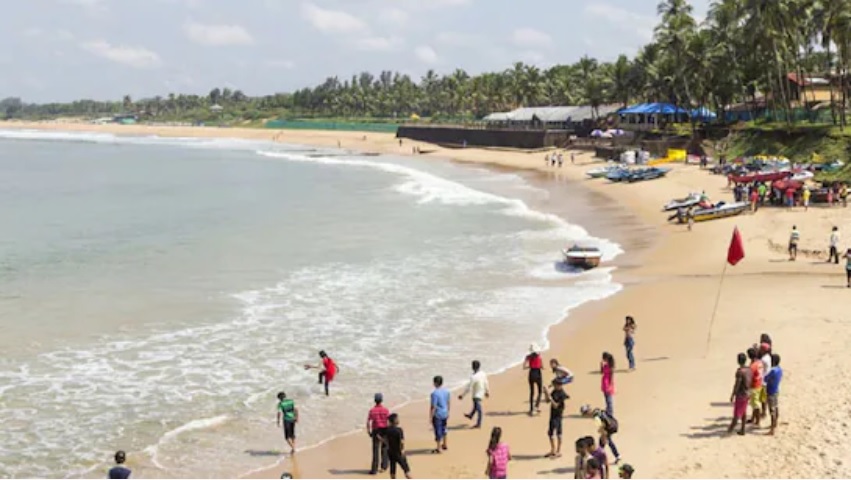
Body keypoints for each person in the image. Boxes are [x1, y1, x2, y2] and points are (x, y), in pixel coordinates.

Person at [459, 360, 489, 429]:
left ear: (472, 367)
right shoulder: (483, 373)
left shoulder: (473, 377)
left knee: (479, 409)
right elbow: (486, 382)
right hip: (482, 392)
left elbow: (469, 388)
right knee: (476, 406)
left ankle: (478, 424)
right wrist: (487, 391)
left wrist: (462, 395)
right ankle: (471, 415)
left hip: (476, 394)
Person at [728, 352, 751, 436]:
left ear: (738, 361)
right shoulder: (749, 369)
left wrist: (733, 394)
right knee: (744, 412)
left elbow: (737, 384)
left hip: (741, 394)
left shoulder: (740, 372)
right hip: (748, 392)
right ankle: (743, 429)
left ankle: (729, 430)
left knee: (737, 414)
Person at [367, 393, 390, 474]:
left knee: (375, 450)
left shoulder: (372, 411)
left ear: (374, 400)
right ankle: (384, 466)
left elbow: (368, 421)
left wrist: (369, 431)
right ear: (382, 400)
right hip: (384, 430)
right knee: (384, 448)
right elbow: (388, 421)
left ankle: (374, 469)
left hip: (376, 430)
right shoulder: (386, 410)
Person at [384, 414, 412, 479]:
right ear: (395, 421)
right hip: (398, 452)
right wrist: (402, 450)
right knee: (406, 469)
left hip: (390, 452)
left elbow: (384, 440)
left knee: (392, 469)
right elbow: (402, 441)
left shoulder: (387, 430)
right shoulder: (399, 430)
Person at [546, 380, 567, 458]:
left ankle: (558, 451)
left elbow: (555, 405)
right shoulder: (554, 391)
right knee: (550, 433)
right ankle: (553, 449)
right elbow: (547, 401)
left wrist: (550, 397)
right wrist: (546, 393)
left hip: (558, 415)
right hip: (552, 415)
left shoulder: (562, 394)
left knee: (559, 433)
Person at [429, 375, 450, 453]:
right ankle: (445, 444)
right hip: (445, 412)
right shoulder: (446, 391)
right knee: (444, 428)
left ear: (435, 383)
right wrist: (448, 411)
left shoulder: (434, 393)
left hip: (438, 414)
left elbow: (433, 406)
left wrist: (431, 416)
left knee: (438, 430)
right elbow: (448, 402)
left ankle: (438, 448)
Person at [764, 353, 783, 436]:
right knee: (776, 407)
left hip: (770, 391)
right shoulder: (779, 369)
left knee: (771, 410)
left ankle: (772, 429)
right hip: (776, 390)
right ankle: (775, 424)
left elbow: (765, 379)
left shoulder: (773, 371)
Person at [524, 344, 544, 415]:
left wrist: (530, 366)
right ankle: (536, 406)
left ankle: (531, 408)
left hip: (531, 373)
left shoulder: (528, 357)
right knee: (540, 391)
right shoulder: (539, 356)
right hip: (538, 373)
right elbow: (542, 366)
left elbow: (524, 367)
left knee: (532, 392)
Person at [747, 347, 765, 427]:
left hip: (754, 386)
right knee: (754, 404)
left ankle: (757, 421)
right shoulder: (760, 362)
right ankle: (753, 418)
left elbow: (749, 377)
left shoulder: (752, 366)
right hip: (759, 384)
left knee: (756, 405)